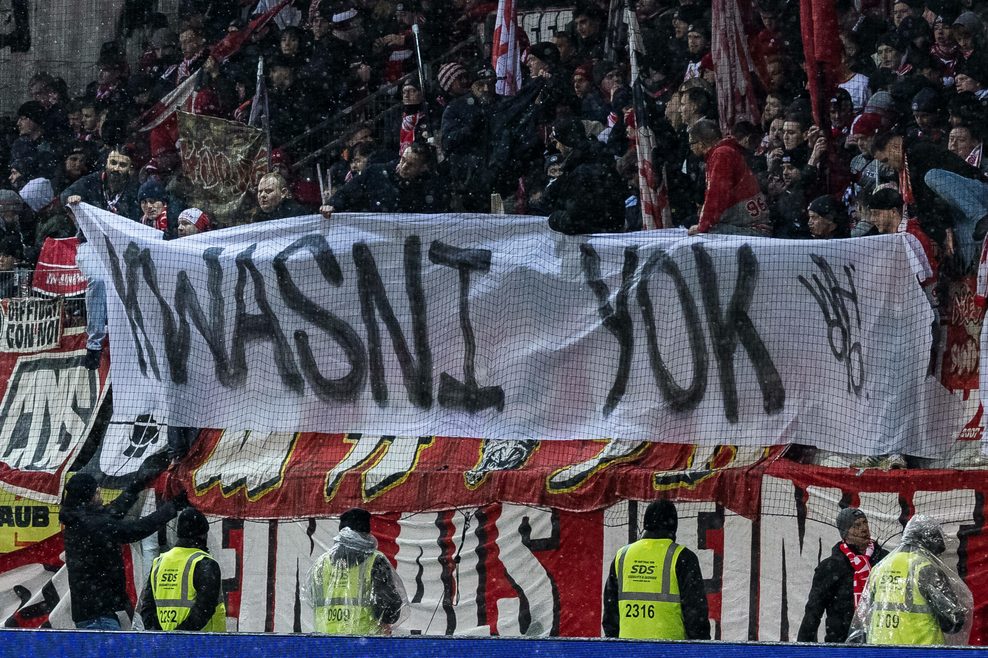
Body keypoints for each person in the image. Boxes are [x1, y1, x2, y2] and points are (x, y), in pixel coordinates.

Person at [60, 473, 186, 630]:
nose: (99, 494)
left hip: (93, 613)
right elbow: (135, 530)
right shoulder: (93, 524)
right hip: (99, 617)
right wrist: (172, 507)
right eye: (96, 492)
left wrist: (137, 485)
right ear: (89, 496)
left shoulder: (78, 520)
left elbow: (113, 512)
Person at [849, 514, 972, 645]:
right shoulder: (925, 568)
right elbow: (952, 622)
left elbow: (863, 617)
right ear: (930, 543)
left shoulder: (880, 567)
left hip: (880, 648)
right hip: (919, 650)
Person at [601, 500, 710, 640]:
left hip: (628, 650)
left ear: (646, 523)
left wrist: (615, 646)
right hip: (670, 650)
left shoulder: (622, 556)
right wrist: (700, 648)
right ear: (673, 525)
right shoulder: (682, 557)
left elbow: (610, 613)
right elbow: (695, 613)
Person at [302, 508, 407, 634]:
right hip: (364, 642)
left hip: (326, 642)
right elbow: (389, 610)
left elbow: (312, 599)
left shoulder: (320, 564)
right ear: (367, 531)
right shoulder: (375, 561)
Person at [797, 508, 889, 642]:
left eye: (865, 523)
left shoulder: (885, 560)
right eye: (856, 525)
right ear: (845, 534)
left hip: (880, 642)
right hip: (841, 644)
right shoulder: (831, 567)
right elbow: (813, 611)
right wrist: (802, 650)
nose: (864, 529)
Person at [140, 508, 225, 632]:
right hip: (204, 644)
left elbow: (147, 608)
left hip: (167, 646)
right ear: (203, 534)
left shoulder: (159, 562)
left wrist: (162, 637)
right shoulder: (204, 564)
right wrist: (181, 637)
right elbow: (205, 608)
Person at [687, 119, 772, 236]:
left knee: (704, 234)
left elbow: (717, 194)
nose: (690, 148)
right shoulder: (723, 152)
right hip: (748, 226)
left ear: (701, 144)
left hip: (753, 229)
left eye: (691, 143)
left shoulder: (721, 154)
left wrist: (703, 226)